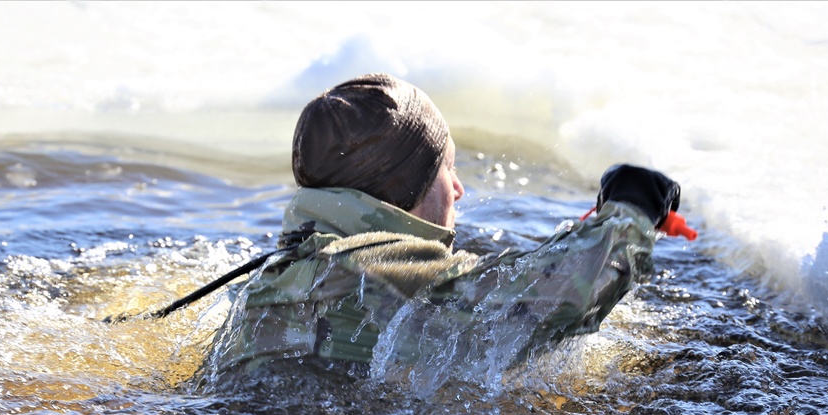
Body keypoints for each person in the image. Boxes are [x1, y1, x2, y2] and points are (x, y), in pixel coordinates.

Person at [203, 73, 681, 383]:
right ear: (406, 183)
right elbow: (558, 295)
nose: (458, 189)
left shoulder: (272, 279)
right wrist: (632, 208)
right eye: (446, 168)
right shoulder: (380, 268)